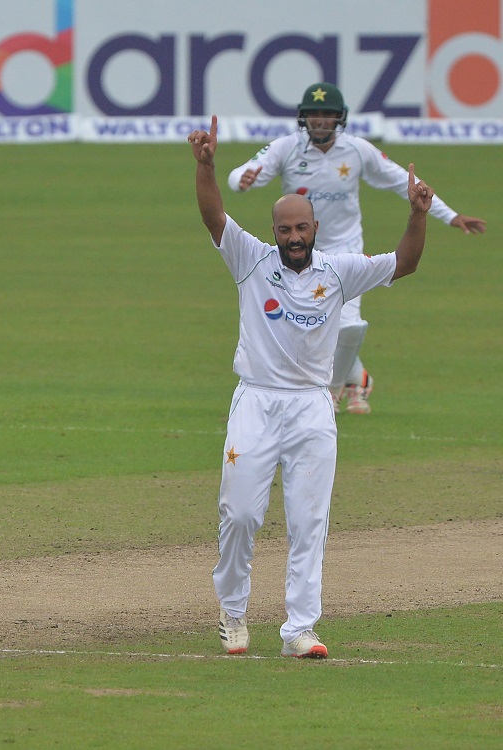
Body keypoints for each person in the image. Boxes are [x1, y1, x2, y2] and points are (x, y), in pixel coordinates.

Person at [189, 114, 433, 658]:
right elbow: (213, 217)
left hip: (311, 408)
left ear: (314, 229)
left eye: (301, 229)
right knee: (242, 514)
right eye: (285, 230)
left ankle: (300, 629)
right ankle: (232, 613)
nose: (293, 238)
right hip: (255, 401)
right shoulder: (251, 260)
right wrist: (206, 166)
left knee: (309, 521)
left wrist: (417, 215)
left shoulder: (339, 271)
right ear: (274, 232)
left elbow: (406, 264)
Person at [227, 82, 485, 414]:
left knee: (348, 325)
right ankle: (359, 378)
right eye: (314, 115)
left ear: (339, 119)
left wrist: (450, 216)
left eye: (327, 115)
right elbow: (241, 174)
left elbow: (402, 181)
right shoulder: (286, 147)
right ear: (303, 119)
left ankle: (331, 389)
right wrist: (242, 181)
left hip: (344, 251)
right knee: (306, 322)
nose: (320, 121)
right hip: (298, 251)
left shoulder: (357, 149)